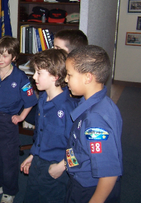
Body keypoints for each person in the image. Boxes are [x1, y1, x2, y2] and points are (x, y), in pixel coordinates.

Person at [0, 36, 37, 203]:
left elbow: (31, 101)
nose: (0, 59)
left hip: (8, 121)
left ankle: (10, 190)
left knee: (8, 158)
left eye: (5, 55)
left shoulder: (20, 78)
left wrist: (21, 116)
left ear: (14, 58)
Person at [64, 45, 123, 203]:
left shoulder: (95, 120)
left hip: (89, 188)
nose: (65, 79)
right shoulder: (95, 103)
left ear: (87, 77)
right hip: (81, 178)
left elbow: (109, 172)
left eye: (69, 75)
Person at [20, 49, 78, 203]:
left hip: (56, 167)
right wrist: (33, 154)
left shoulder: (68, 109)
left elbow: (79, 147)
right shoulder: (43, 98)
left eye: (39, 73)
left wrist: (61, 167)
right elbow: (40, 134)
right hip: (39, 161)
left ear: (55, 76)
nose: (34, 77)